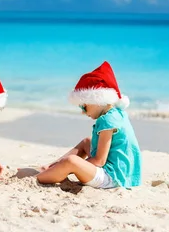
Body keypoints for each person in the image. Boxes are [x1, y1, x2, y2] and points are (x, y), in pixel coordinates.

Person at [36, 61, 142, 189]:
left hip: (113, 178)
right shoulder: (117, 113)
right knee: (87, 141)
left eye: (84, 106)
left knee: (71, 162)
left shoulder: (107, 121)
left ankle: (43, 176)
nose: (82, 111)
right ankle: (54, 166)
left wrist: (75, 166)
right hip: (124, 173)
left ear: (97, 100)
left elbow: (99, 161)